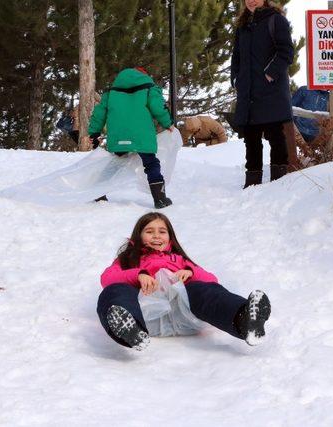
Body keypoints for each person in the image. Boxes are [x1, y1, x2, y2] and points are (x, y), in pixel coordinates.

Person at [96, 212, 272, 350]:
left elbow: (212, 280)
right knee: (114, 290)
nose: (156, 236)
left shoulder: (179, 260)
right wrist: (138, 275)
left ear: (170, 238)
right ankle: (129, 330)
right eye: (149, 231)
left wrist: (189, 272)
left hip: (183, 312)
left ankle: (244, 319)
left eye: (162, 232)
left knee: (203, 290)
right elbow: (107, 278)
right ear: (138, 236)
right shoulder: (129, 258)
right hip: (145, 312)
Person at [88, 67, 175, 209]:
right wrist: (168, 123)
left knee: (115, 163)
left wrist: (94, 132)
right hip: (141, 134)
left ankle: (99, 193)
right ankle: (160, 198)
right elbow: (157, 107)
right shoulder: (149, 87)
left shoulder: (111, 92)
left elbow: (99, 113)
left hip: (118, 135)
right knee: (151, 164)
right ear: (144, 75)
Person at [230, 0, 294, 188]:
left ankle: (279, 183)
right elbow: (237, 56)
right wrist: (235, 79)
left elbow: (287, 52)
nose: (251, 0)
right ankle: (252, 184)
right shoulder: (243, 25)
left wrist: (269, 74)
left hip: (271, 90)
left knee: (275, 135)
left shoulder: (276, 20)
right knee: (251, 137)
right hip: (248, 91)